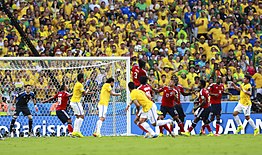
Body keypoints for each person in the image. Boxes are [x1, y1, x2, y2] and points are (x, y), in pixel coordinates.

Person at [70, 73, 92, 138]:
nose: (84, 79)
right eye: (83, 78)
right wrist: (88, 90)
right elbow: (84, 94)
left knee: (77, 117)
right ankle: (77, 131)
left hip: (73, 102)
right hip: (76, 102)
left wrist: (89, 92)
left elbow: (81, 93)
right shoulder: (80, 85)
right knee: (82, 116)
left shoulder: (77, 84)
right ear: (81, 78)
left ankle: (75, 132)